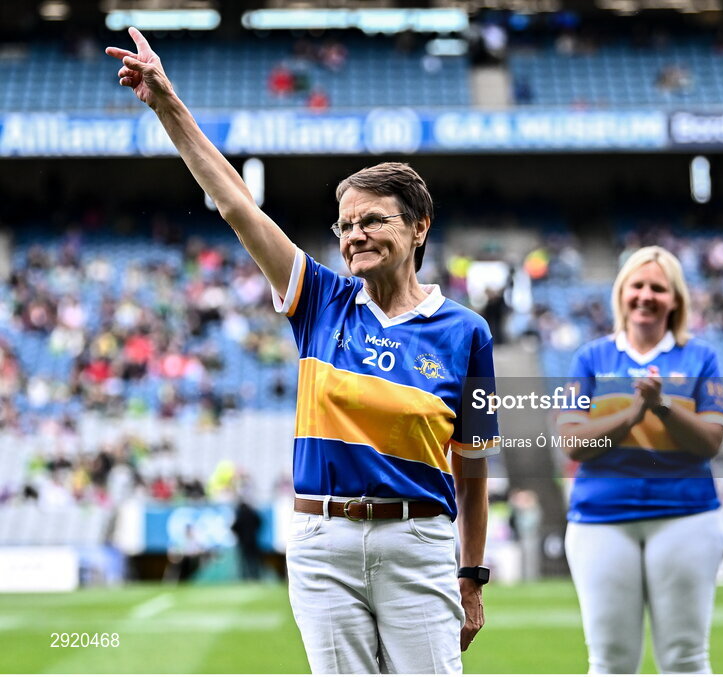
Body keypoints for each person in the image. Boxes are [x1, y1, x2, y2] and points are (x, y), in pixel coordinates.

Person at [107, 28, 499, 674]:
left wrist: (472, 572)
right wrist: (166, 105)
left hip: (420, 540)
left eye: (373, 219)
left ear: (419, 227)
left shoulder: (467, 333)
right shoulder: (320, 300)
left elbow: (475, 472)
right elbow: (237, 205)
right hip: (322, 544)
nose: (355, 235)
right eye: (345, 224)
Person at [556, 246, 723, 673]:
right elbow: (573, 443)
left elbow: (710, 441)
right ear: (621, 294)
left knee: (685, 658)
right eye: (637, 285)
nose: (646, 295)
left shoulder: (701, 357)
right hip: (601, 519)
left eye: (658, 287)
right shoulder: (590, 357)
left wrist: (663, 406)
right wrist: (635, 412)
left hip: (685, 515)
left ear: (675, 299)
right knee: (610, 660)